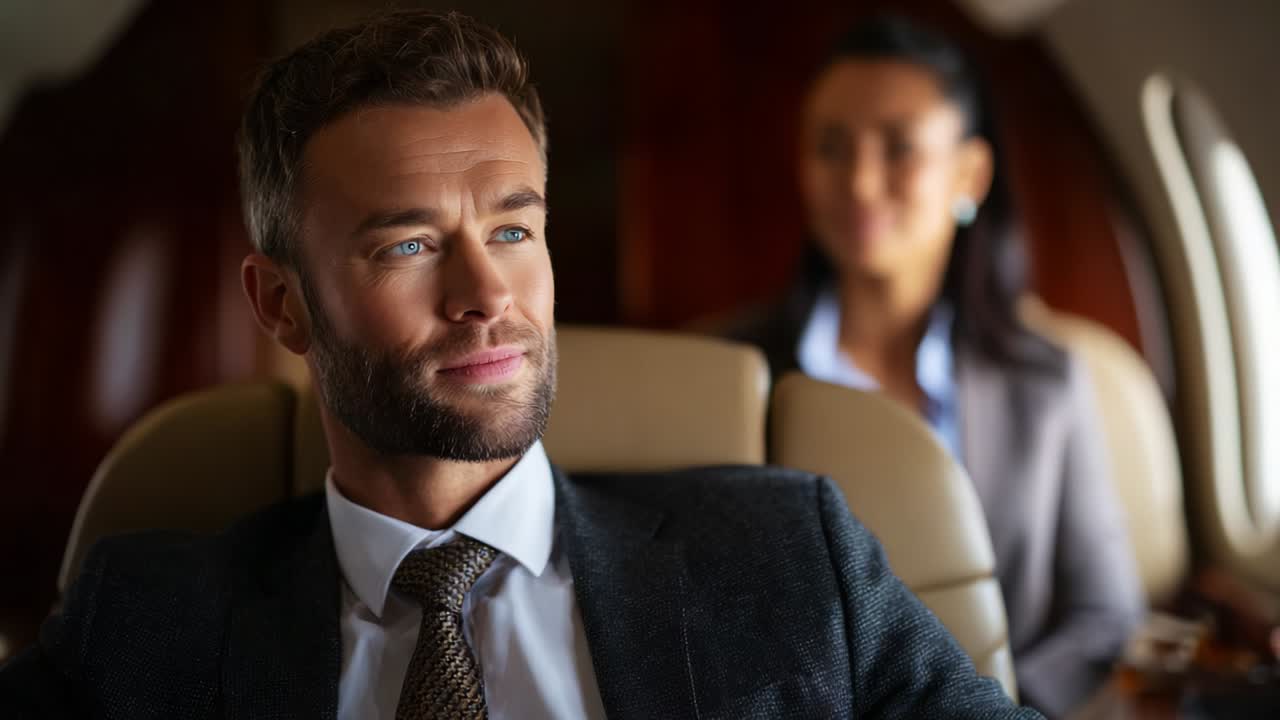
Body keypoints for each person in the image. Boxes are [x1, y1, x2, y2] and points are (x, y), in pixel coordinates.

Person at [0, 10, 1041, 719]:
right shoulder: (145, 622)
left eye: (511, 231)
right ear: (281, 304)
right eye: (407, 245)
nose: (484, 298)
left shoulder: (788, 558)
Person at [727, 16, 1145, 717]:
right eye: (831, 146)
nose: (859, 182)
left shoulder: (1046, 384)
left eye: (898, 148)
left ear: (970, 175)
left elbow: (1105, 615)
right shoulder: (728, 375)